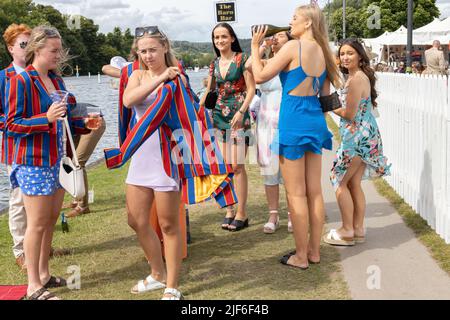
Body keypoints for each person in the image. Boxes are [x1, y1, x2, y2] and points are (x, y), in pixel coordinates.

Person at [104, 26, 237, 300]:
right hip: (140, 155)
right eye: (143, 51)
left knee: (168, 225)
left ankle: (172, 285)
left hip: (168, 158)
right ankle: (157, 273)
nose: (148, 55)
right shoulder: (136, 74)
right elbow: (129, 100)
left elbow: (188, 115)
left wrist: (167, 75)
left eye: (153, 49)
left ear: (164, 47)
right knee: (136, 220)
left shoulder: (178, 76)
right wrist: (159, 77)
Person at [6, 25, 102, 300]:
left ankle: (45, 275)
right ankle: (33, 285)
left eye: (60, 50)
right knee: (35, 224)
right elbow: (11, 125)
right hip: (32, 161)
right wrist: (44, 119)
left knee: (49, 221)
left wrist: (82, 124)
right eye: (54, 50)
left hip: (57, 159)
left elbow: (63, 120)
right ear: (36, 49)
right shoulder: (21, 81)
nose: (59, 55)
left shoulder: (57, 81)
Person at [251, 4, 342, 268]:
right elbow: (326, 97)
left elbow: (259, 76)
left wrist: (256, 48)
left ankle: (300, 256)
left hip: (292, 122)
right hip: (315, 121)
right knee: (315, 192)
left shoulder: (293, 47)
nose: (290, 23)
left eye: (294, 19)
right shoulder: (325, 52)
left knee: (296, 194)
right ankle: (314, 251)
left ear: (308, 24)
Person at [324, 39, 391, 246]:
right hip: (366, 137)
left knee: (339, 180)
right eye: (342, 53)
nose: (345, 57)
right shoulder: (357, 76)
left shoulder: (355, 80)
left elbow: (349, 114)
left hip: (356, 140)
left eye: (350, 53)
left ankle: (346, 231)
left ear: (360, 56)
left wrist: (328, 104)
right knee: (353, 183)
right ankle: (358, 229)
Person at [200, 22, 255, 232]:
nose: (220, 41)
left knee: (238, 166)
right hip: (219, 117)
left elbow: (252, 89)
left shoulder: (243, 59)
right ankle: (229, 209)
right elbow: (210, 90)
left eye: (224, 36)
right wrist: (199, 107)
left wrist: (241, 112)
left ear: (232, 38)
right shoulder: (214, 63)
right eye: (216, 38)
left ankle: (242, 213)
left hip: (239, 117)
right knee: (225, 168)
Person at [247, 31, 294, 234]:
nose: (276, 38)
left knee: (290, 172)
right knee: (269, 170)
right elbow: (249, 65)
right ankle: (273, 215)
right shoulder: (266, 63)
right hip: (266, 121)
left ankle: (294, 214)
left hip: (285, 120)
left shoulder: (292, 63)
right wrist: (262, 46)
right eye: (274, 36)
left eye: (281, 36)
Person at [0, 23, 31, 271]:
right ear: (11, 48)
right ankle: (21, 250)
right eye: (23, 44)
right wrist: (20, 123)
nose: (28, 48)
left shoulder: (40, 73)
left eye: (31, 43)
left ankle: (40, 245)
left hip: (43, 149)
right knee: (19, 198)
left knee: (40, 198)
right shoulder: (4, 78)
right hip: (16, 147)